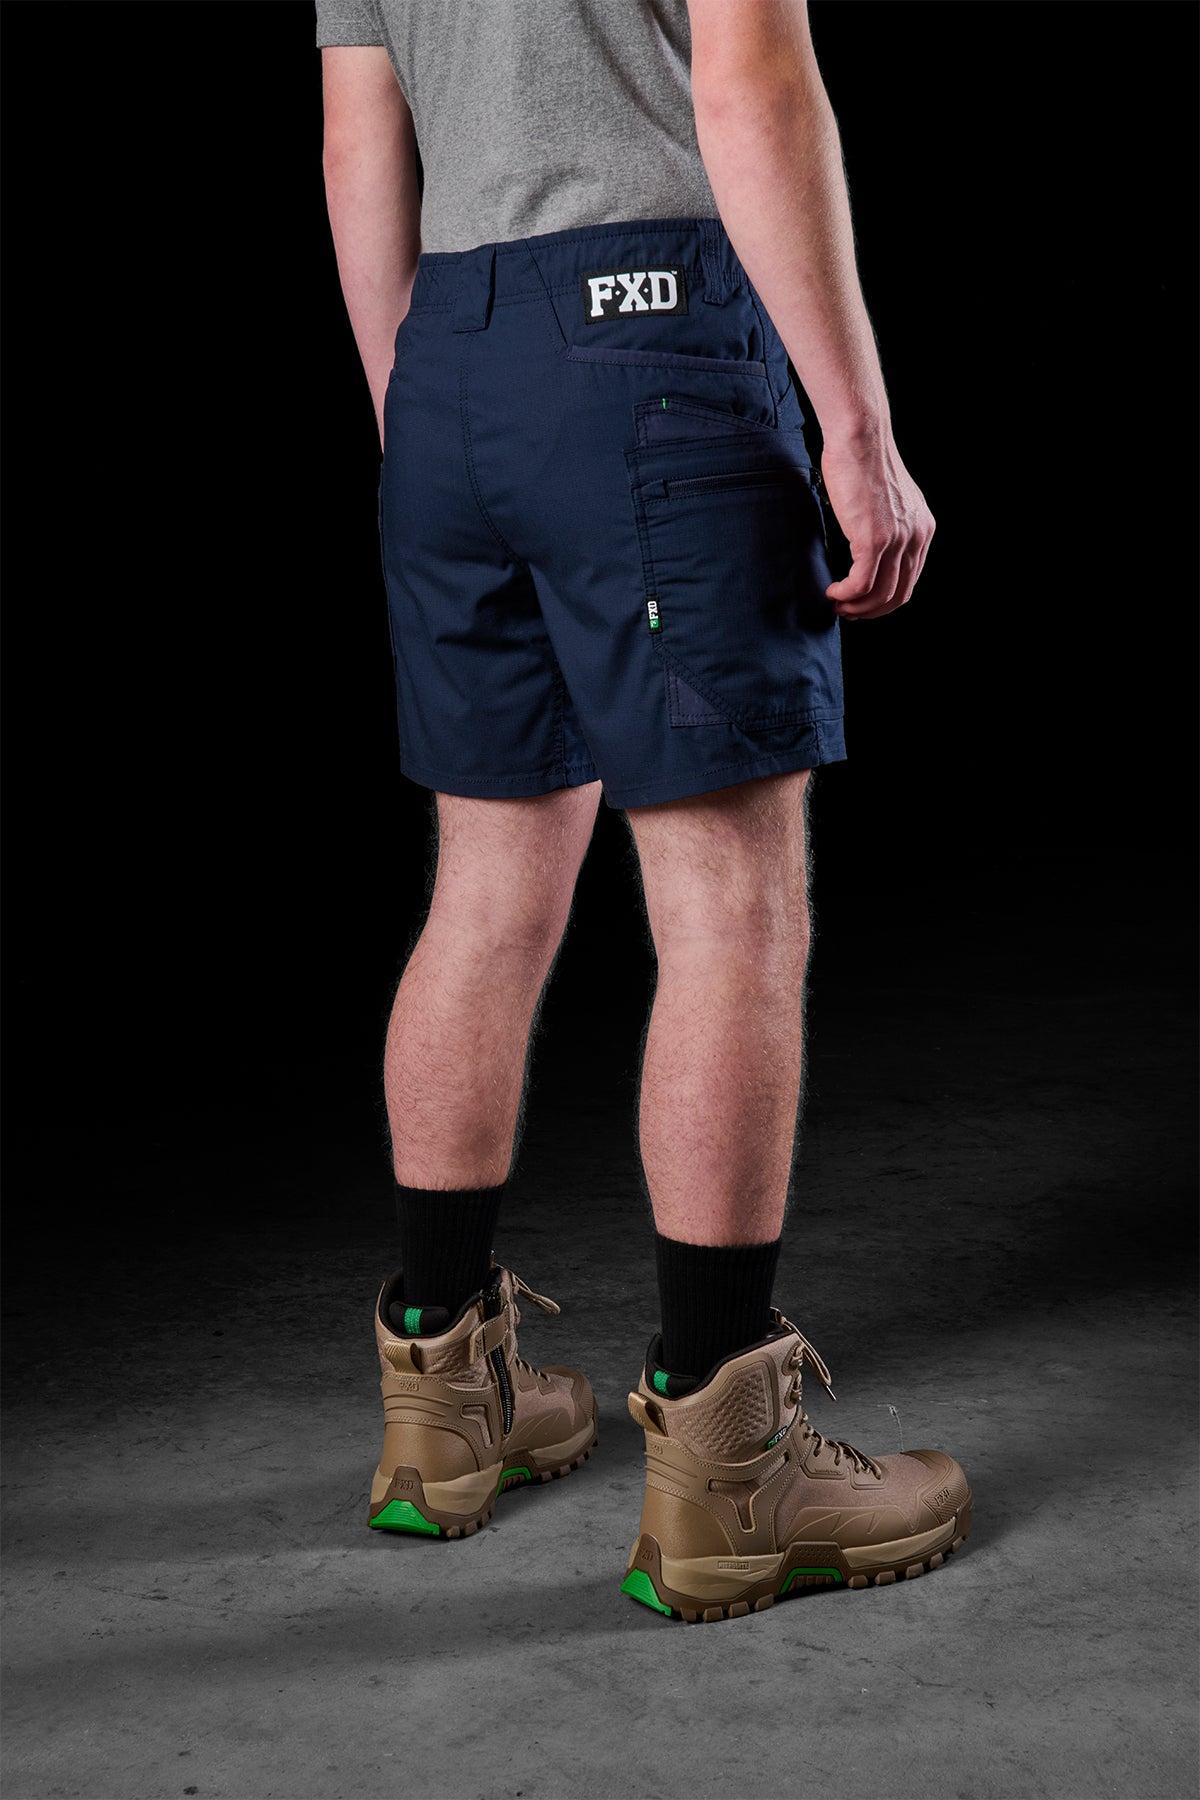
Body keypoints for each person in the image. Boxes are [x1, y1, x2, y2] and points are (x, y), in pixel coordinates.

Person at [315, 0, 971, 1621]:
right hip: (650, 322)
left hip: (445, 355)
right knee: (731, 904)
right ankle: (732, 1472)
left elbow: (358, 133)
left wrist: (427, 411)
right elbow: (752, 82)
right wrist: (859, 428)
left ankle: (444, 1411)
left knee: (486, 886)